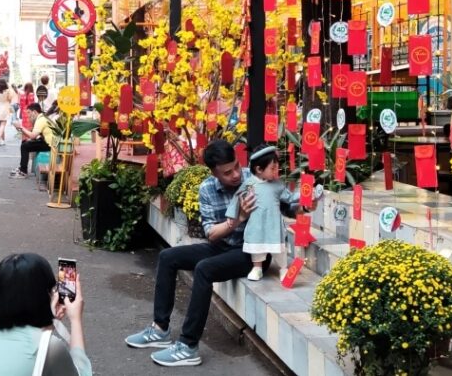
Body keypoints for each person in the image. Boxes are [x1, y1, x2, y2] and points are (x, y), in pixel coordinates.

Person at [124, 139, 313, 367]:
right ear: (214, 173)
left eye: (235, 167)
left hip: (253, 254)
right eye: (227, 172)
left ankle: (188, 346)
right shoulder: (207, 189)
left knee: (204, 269)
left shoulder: (254, 177)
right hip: (222, 244)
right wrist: (238, 219)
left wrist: (305, 204)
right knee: (167, 257)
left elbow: (284, 205)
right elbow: (211, 234)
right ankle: (160, 329)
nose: (235, 175)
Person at [0, 253, 91, 376]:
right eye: (51, 290)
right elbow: (81, 371)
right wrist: (75, 319)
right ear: (42, 297)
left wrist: (49, 320)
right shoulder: (52, 348)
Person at [225, 145, 299, 281]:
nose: (276, 171)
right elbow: (237, 197)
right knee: (256, 246)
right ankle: (257, 267)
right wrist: (231, 214)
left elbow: (289, 197)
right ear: (259, 169)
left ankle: (283, 268)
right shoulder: (249, 184)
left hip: (274, 222)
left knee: (279, 248)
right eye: (272, 168)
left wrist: (305, 195)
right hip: (256, 223)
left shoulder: (278, 185)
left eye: (277, 167)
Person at [10, 103, 52, 179]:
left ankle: (23, 172)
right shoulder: (42, 118)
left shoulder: (41, 120)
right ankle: (22, 168)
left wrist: (21, 127)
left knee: (25, 146)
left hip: (49, 144)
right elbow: (33, 134)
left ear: (34, 112)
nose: (28, 115)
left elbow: (32, 136)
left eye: (29, 113)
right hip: (46, 141)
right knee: (25, 143)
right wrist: (20, 129)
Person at [0, 79, 17, 146]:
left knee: (1, 125)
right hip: (5, 107)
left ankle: (3, 140)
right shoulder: (7, 91)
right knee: (3, 125)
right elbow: (10, 98)